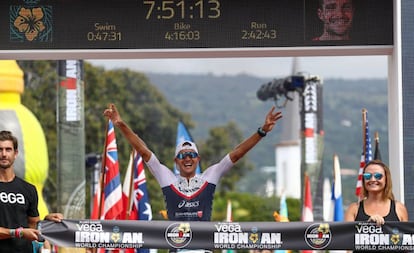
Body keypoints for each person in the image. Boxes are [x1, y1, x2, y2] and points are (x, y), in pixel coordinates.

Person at [103, 103, 282, 221]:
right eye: (183, 155)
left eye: (191, 155)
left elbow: (237, 154)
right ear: (176, 161)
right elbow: (143, 150)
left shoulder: (209, 176)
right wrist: (120, 123)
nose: (187, 158)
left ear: (198, 159)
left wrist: (262, 131)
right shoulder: (167, 178)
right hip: (177, 247)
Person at [0, 130, 63, 253]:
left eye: (8, 149)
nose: (3, 154)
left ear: (16, 153)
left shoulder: (28, 189)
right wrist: (18, 233)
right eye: (0, 149)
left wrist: (47, 220)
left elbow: (33, 226)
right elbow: (23, 232)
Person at [344, 160, 408, 226]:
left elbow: (406, 234)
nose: (372, 179)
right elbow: (347, 234)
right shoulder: (353, 209)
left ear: (386, 179)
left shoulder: (399, 208)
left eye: (378, 176)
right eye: (367, 176)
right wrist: (368, 225)